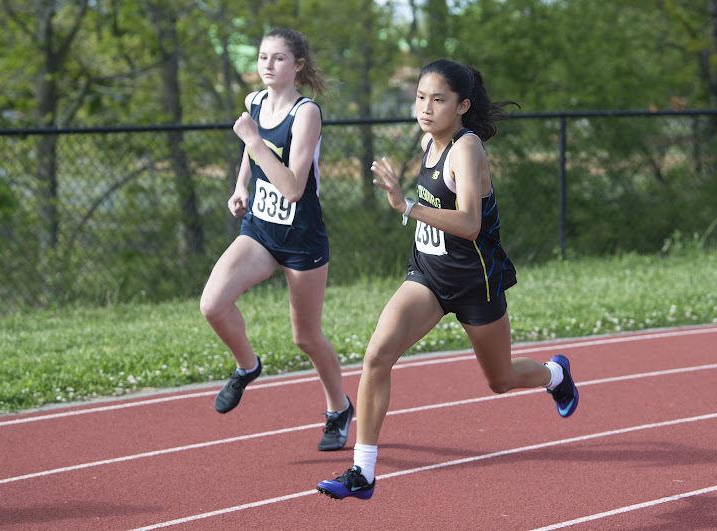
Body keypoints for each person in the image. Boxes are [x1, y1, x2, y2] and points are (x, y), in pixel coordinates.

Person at [316, 59, 579, 498]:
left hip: (476, 282)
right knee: (377, 355)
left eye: (438, 100)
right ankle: (362, 472)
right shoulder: (427, 140)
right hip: (428, 277)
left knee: (499, 381)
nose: (426, 107)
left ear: (462, 106)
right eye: (421, 97)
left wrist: (408, 207)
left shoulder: (467, 148)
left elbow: (471, 223)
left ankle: (555, 375)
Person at [200, 29, 353, 451]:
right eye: (263, 57)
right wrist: (240, 186)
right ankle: (247, 367)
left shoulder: (306, 114)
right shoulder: (253, 102)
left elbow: (293, 188)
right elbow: (250, 155)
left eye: (279, 58)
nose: (267, 65)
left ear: (298, 65)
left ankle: (338, 408)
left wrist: (252, 140)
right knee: (212, 304)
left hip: (301, 235)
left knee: (305, 337)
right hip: (260, 228)